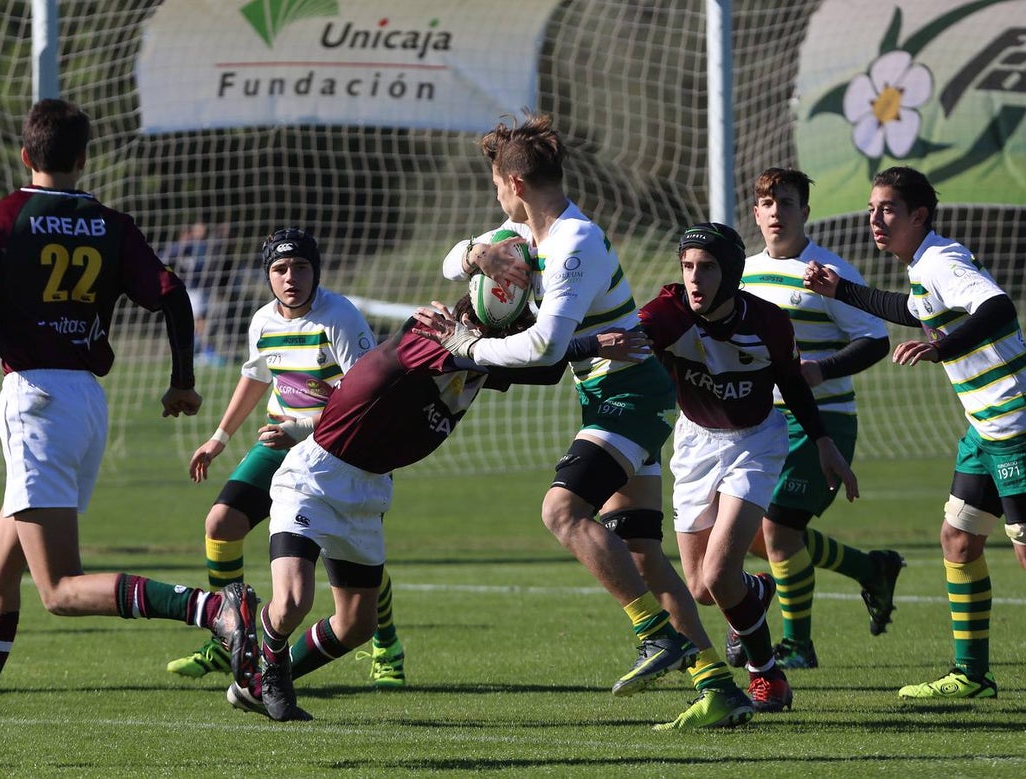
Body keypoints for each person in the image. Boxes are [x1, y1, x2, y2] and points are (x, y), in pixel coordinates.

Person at [0, 99, 261, 769]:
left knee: (59, 588)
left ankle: (212, 610)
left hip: (34, 398)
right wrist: (182, 379)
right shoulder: (111, 225)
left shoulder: (4, 217)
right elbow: (173, 294)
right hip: (87, 400)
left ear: (25, 155)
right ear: (84, 158)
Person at [428, 113, 754, 731]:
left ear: (515, 183)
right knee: (640, 549)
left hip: (632, 396)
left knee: (561, 512)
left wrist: (466, 350)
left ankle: (656, 635)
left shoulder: (573, 242)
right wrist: (477, 254)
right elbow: (453, 266)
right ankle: (719, 689)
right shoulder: (521, 235)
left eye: (497, 184)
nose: (495, 197)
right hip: (611, 397)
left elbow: (548, 348)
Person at [226, 290, 645, 721]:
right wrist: (590, 344)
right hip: (316, 476)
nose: (523, 337)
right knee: (293, 599)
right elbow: (502, 357)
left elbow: (542, 369)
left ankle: (258, 680)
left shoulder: (478, 359)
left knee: (357, 624)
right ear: (486, 325)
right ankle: (268, 666)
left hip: (368, 490)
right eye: (517, 329)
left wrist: (581, 336)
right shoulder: (427, 331)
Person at [804, 165, 1026, 700]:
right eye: (872, 209)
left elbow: (998, 307)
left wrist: (942, 347)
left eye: (887, 210)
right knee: (958, 539)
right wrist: (844, 290)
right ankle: (971, 675)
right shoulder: (922, 266)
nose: (875, 220)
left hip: (1016, 423)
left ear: (918, 215)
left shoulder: (944, 260)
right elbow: (910, 309)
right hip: (984, 429)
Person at [169, 227, 407, 689]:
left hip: (340, 453)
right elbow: (257, 376)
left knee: (355, 557)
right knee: (221, 524)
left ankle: (387, 645)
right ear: (268, 276)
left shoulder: (339, 316)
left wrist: (301, 428)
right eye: (280, 269)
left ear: (316, 271)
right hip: (280, 443)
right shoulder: (262, 321)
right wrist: (219, 438)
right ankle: (229, 638)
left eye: (300, 267)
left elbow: (366, 398)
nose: (291, 277)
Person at [636, 222, 859, 714]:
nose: (695, 279)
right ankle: (757, 589)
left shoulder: (769, 322)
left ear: (732, 272)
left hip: (756, 441)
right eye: (688, 266)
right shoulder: (667, 312)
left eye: (708, 268)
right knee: (701, 588)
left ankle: (767, 678)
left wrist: (825, 443)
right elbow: (632, 339)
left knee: (718, 574)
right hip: (695, 443)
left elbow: (794, 385)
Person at [730, 167, 901, 670]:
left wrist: (820, 369)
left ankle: (799, 646)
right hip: (762, 426)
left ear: (805, 212)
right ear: (756, 212)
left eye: (787, 202)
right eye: (768, 203)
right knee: (757, 535)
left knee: (779, 532)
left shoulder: (828, 271)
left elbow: (876, 340)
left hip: (822, 422)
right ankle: (871, 568)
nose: (777, 212)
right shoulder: (743, 271)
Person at [161, 221, 225, 365]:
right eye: (196, 231)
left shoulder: (200, 247)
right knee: (198, 320)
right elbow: (163, 258)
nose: (200, 234)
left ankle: (198, 351)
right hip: (190, 288)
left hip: (198, 288)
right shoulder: (180, 248)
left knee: (198, 319)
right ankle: (200, 351)